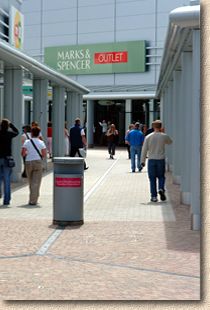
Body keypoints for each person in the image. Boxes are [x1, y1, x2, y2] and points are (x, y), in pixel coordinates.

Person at [141, 120, 172, 202]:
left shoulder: (148, 137)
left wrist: (142, 161)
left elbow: (144, 150)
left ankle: (154, 196)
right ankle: (161, 188)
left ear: (153, 127)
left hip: (151, 159)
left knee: (152, 179)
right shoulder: (164, 136)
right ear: (161, 127)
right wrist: (163, 133)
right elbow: (170, 142)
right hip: (160, 159)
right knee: (161, 176)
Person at [21, 126, 47, 205]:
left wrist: (27, 154)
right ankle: (33, 200)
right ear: (39, 133)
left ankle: (32, 198)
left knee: (31, 181)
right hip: (38, 162)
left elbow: (22, 153)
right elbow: (44, 154)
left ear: (31, 133)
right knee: (36, 182)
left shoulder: (27, 142)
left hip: (28, 162)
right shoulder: (41, 142)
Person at [0, 119, 19, 205]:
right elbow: (17, 132)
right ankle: (6, 200)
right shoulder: (9, 134)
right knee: (7, 179)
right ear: (7, 126)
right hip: (7, 159)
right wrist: (11, 125)